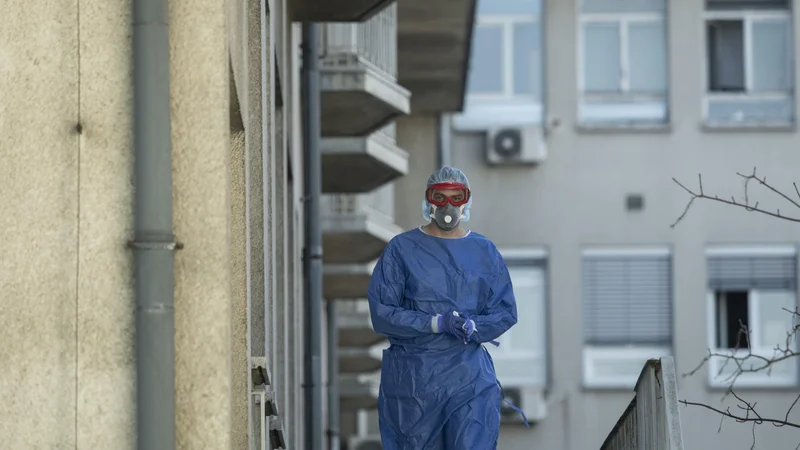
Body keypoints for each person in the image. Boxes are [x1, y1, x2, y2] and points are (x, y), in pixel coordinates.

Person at [367, 166, 526, 450]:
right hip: (415, 383)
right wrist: (436, 323)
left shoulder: (484, 251)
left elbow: (504, 311)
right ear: (428, 202)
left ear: (467, 201)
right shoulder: (402, 249)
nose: (448, 206)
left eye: (456, 196)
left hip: (469, 378)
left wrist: (475, 327)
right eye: (439, 197)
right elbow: (382, 313)